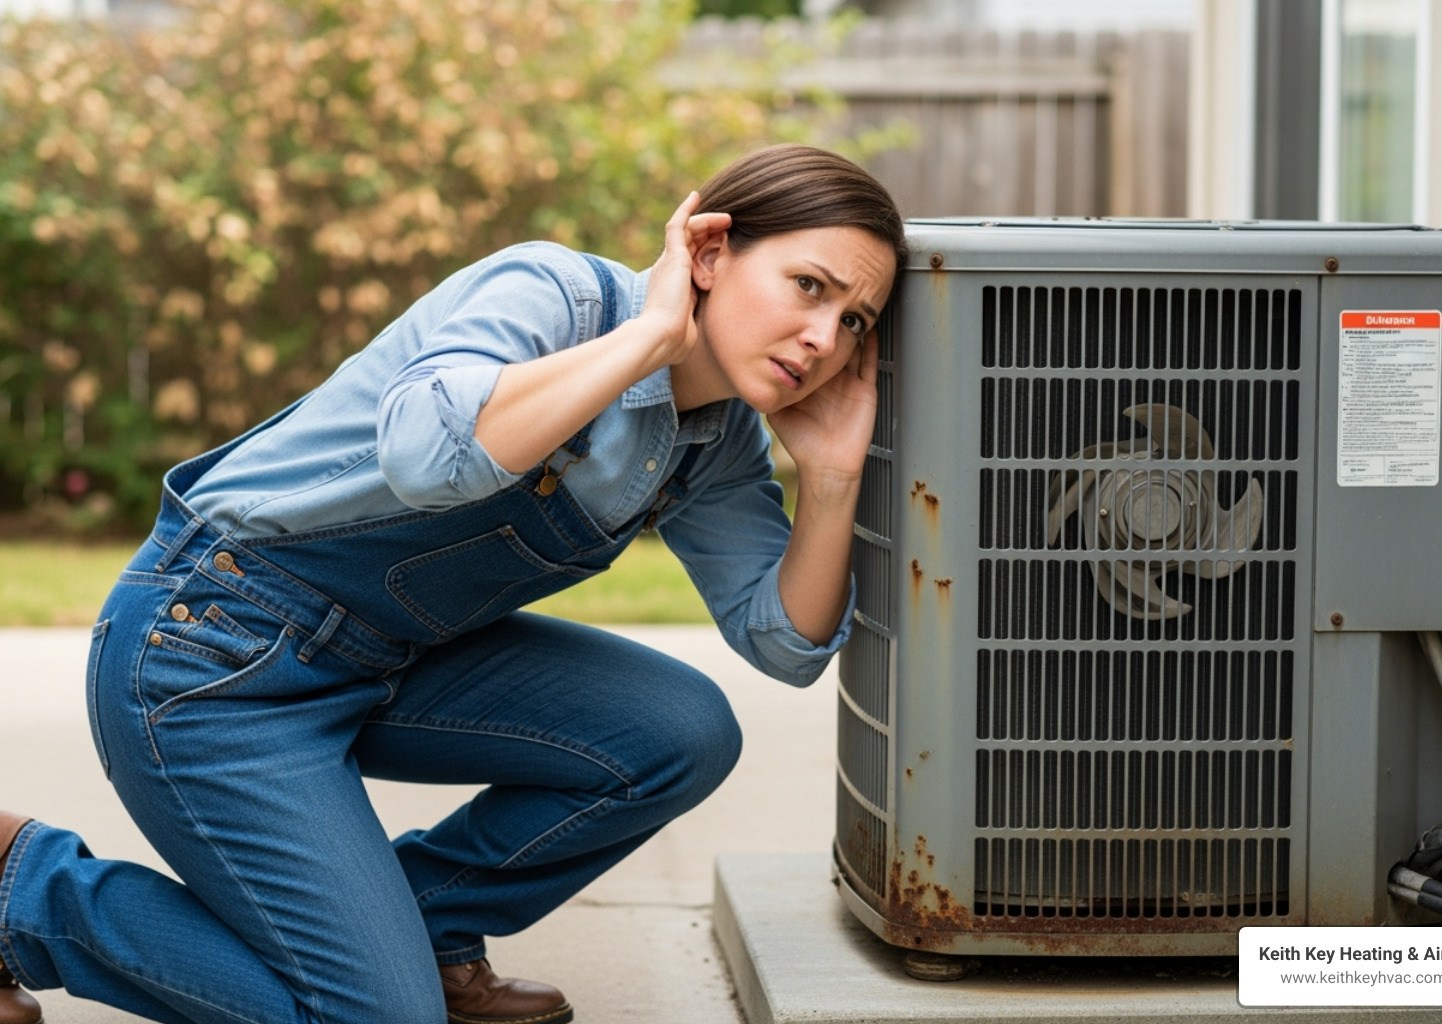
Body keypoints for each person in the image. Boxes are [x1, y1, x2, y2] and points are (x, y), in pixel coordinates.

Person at [0, 143, 905, 1024]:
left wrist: (828, 481)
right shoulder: (552, 294)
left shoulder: (716, 445)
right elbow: (429, 455)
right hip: (215, 659)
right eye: (809, 286)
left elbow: (784, 646)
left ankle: (424, 925)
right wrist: (648, 341)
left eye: (855, 320)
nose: (823, 339)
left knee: (682, 732)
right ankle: (21, 888)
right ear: (708, 252)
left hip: (383, 664)